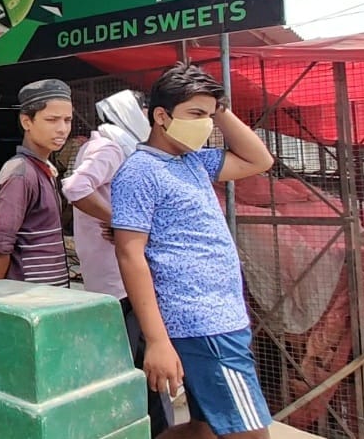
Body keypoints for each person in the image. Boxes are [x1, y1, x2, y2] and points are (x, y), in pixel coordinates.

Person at [112, 63, 274, 439]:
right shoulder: (139, 172)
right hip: (201, 324)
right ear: (161, 116)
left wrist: (221, 109)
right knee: (250, 433)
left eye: (209, 115)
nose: (206, 124)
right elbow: (130, 255)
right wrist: (156, 340)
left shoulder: (194, 162)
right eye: (195, 115)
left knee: (203, 428)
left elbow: (259, 160)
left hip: (224, 317)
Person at [62, 90, 173, 438]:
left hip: (120, 276)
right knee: (137, 365)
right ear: (131, 111)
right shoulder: (108, 146)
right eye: (144, 108)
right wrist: (120, 220)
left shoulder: (119, 145)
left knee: (136, 365)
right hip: (117, 279)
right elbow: (76, 188)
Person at [0, 79, 73, 286]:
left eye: (67, 120)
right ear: (27, 122)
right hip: (28, 300)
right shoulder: (21, 174)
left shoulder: (43, 169)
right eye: (52, 120)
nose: (62, 129)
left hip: (48, 300)